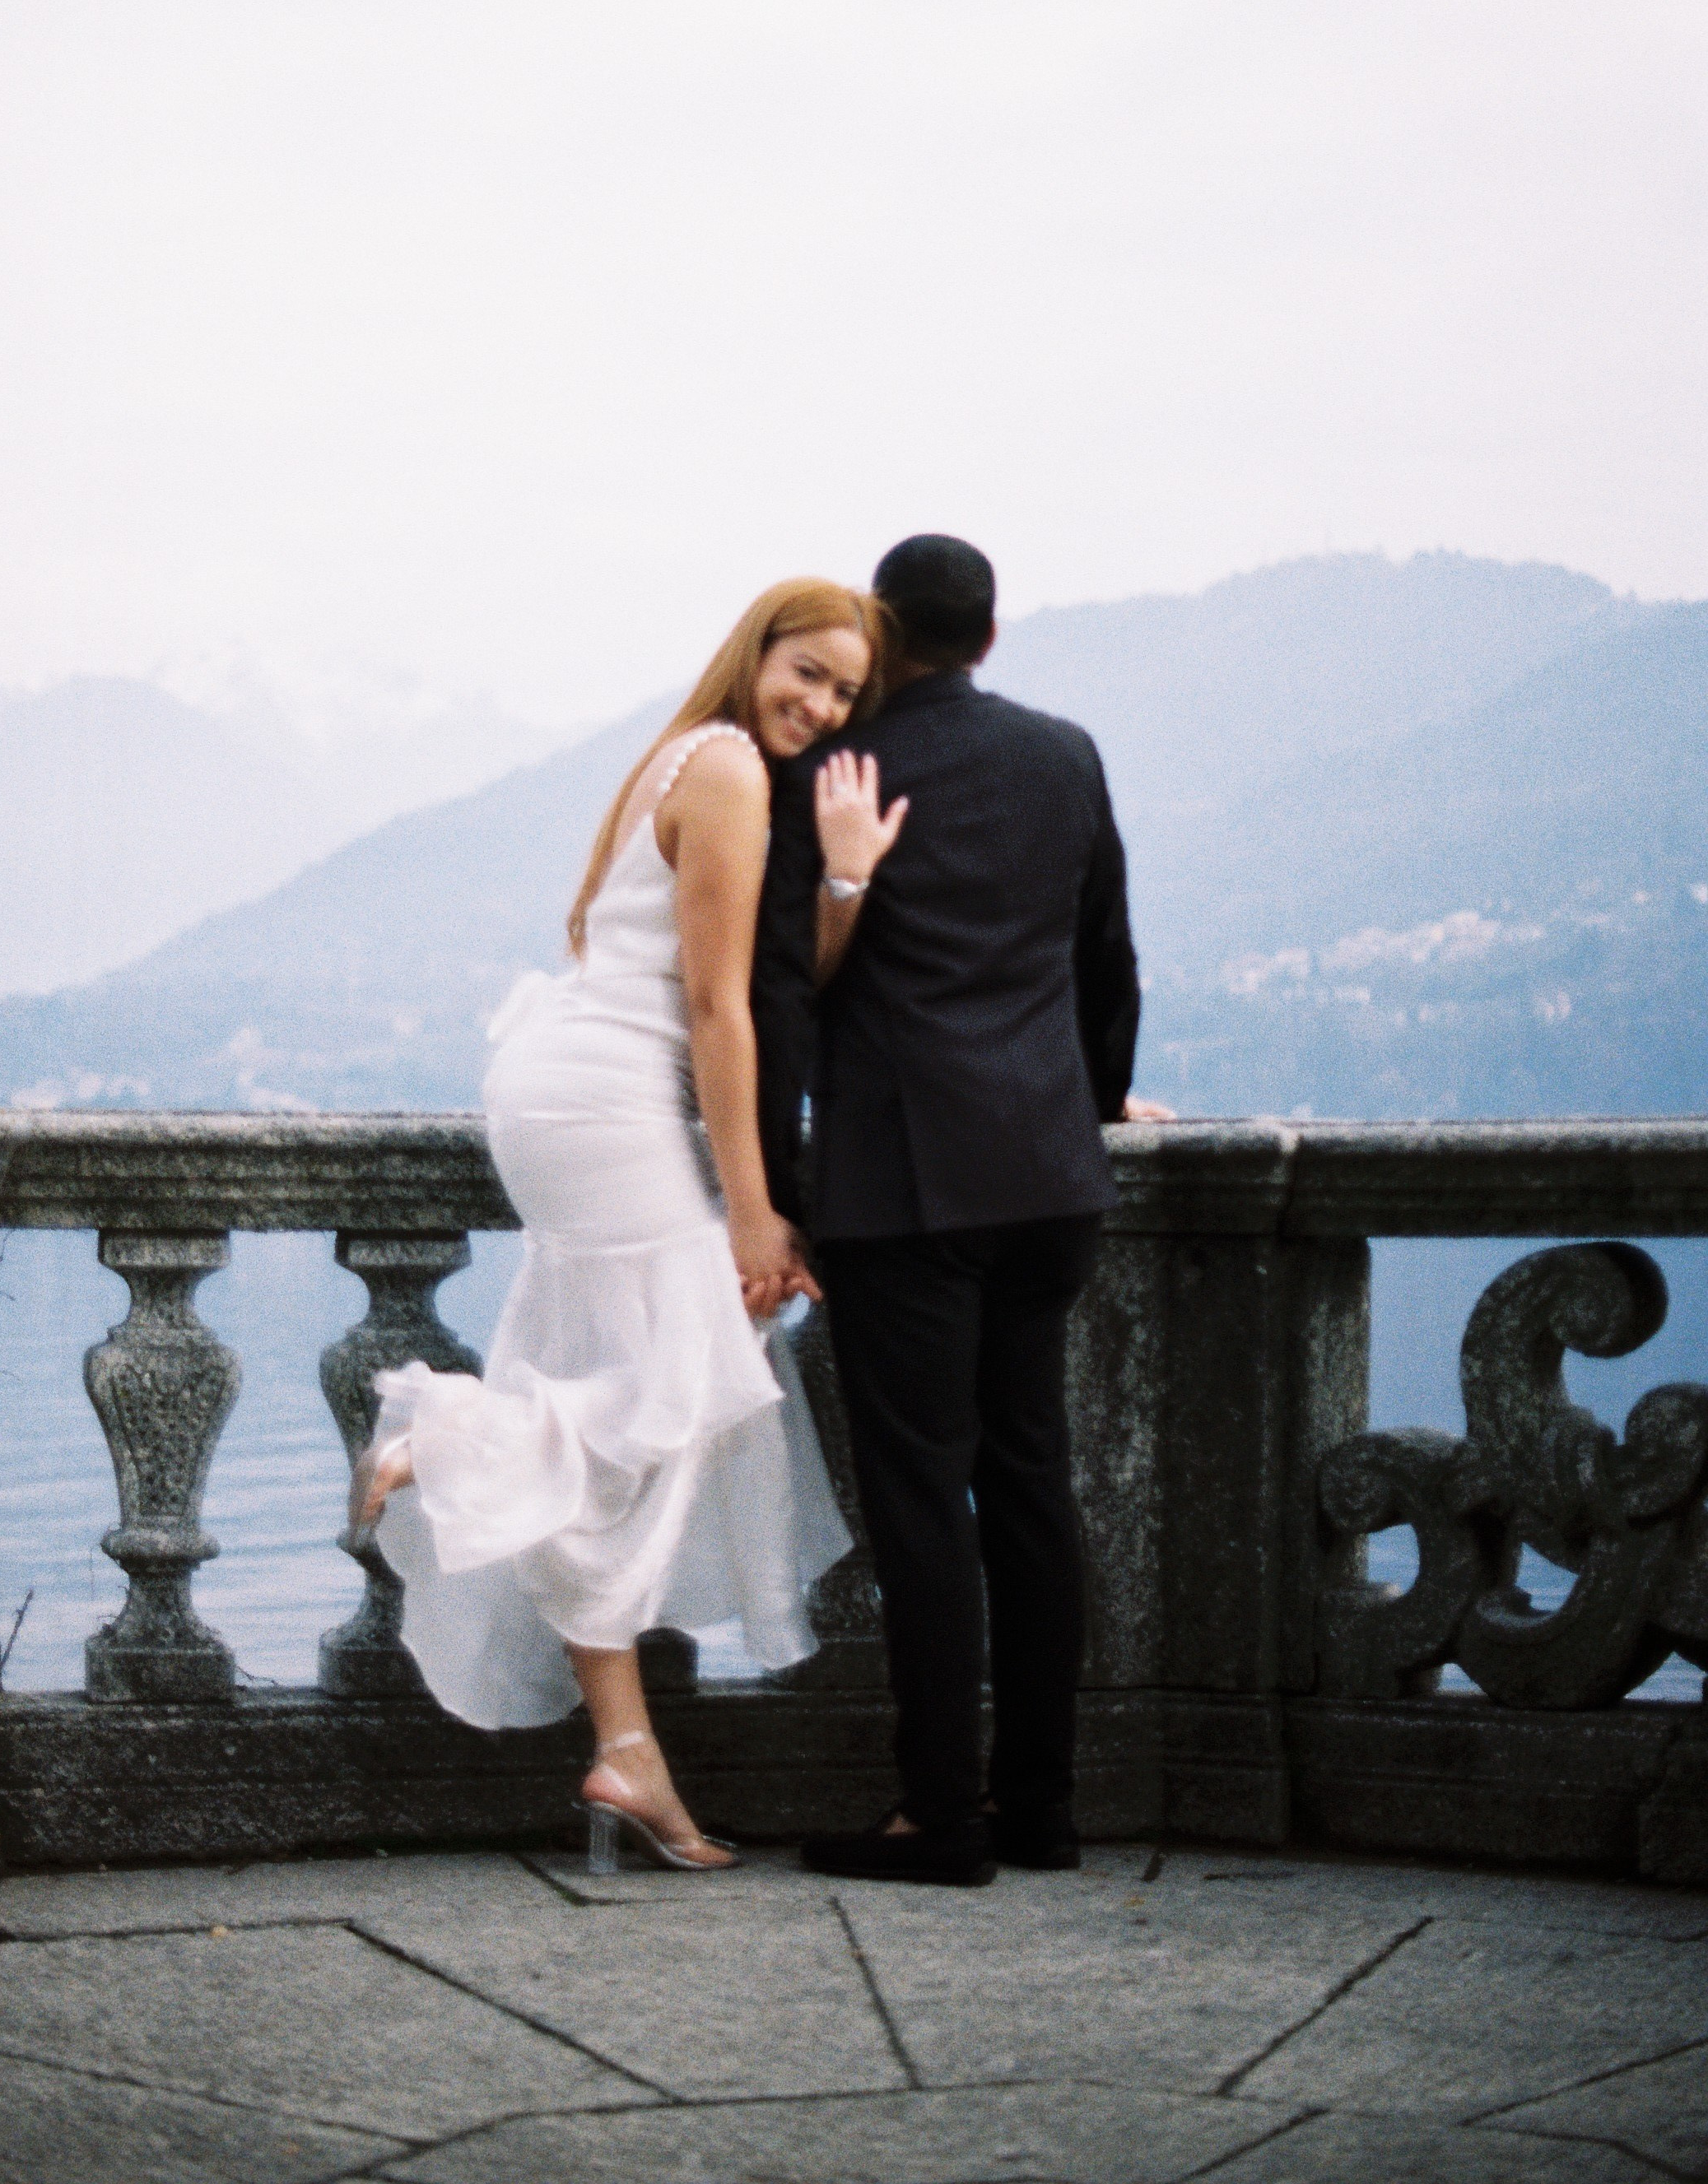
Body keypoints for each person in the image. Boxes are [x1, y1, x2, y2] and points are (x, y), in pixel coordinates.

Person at [351, 579, 901, 1873]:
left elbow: (757, 978)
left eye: (842, 693)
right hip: (608, 1105)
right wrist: (755, 1213)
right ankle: (455, 1435)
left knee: (649, 1413)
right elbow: (722, 1015)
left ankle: (630, 1756)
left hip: (577, 1089)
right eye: (805, 671)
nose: (817, 705)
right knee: (673, 1385)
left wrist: (842, 883)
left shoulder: (692, 756)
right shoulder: (722, 772)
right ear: (754, 652)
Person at [752, 532, 1167, 1887]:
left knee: (924, 1505)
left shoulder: (830, 773)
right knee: (1032, 1490)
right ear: (990, 637)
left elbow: (780, 1000)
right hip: (1049, 1178)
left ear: (886, 630)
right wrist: (1099, 1100)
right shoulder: (1066, 755)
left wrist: (774, 1186)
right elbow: (1107, 957)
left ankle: (941, 1816)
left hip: (904, 1191)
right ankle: (1042, 1811)